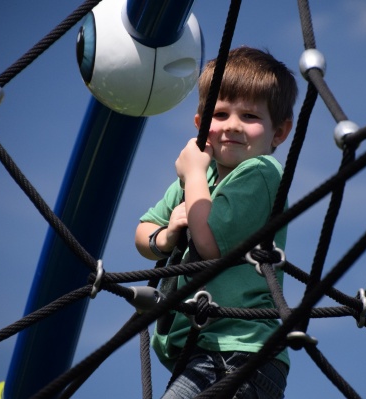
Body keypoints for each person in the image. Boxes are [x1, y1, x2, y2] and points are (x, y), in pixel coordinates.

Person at [135, 46, 298, 399]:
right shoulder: (202, 178)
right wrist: (165, 237)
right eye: (220, 113)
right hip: (203, 350)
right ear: (200, 124)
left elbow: (208, 246)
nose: (232, 127)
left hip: (238, 351)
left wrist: (191, 173)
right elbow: (143, 230)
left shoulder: (262, 173)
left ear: (279, 132)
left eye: (251, 116)